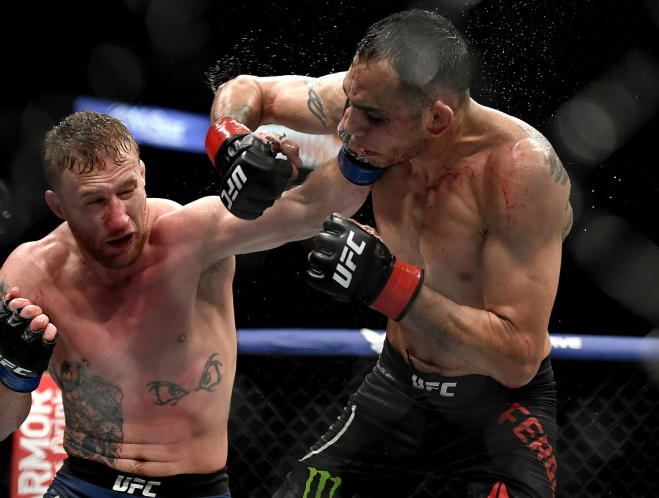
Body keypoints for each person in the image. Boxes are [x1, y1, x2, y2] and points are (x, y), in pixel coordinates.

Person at [208, 8, 572, 498]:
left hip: (498, 408)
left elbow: (517, 359)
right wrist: (230, 140)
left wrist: (386, 282)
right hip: (397, 388)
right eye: (351, 104)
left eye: (373, 118)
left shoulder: (517, 172)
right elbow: (250, 89)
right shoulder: (366, 101)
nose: (347, 127)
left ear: (437, 119)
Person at [0, 109, 371, 497]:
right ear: (58, 206)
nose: (119, 219)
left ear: (143, 176)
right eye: (94, 202)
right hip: (84, 484)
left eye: (127, 191)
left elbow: (313, 208)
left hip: (195, 489)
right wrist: (13, 374)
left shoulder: (192, 237)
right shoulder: (32, 271)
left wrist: (368, 143)